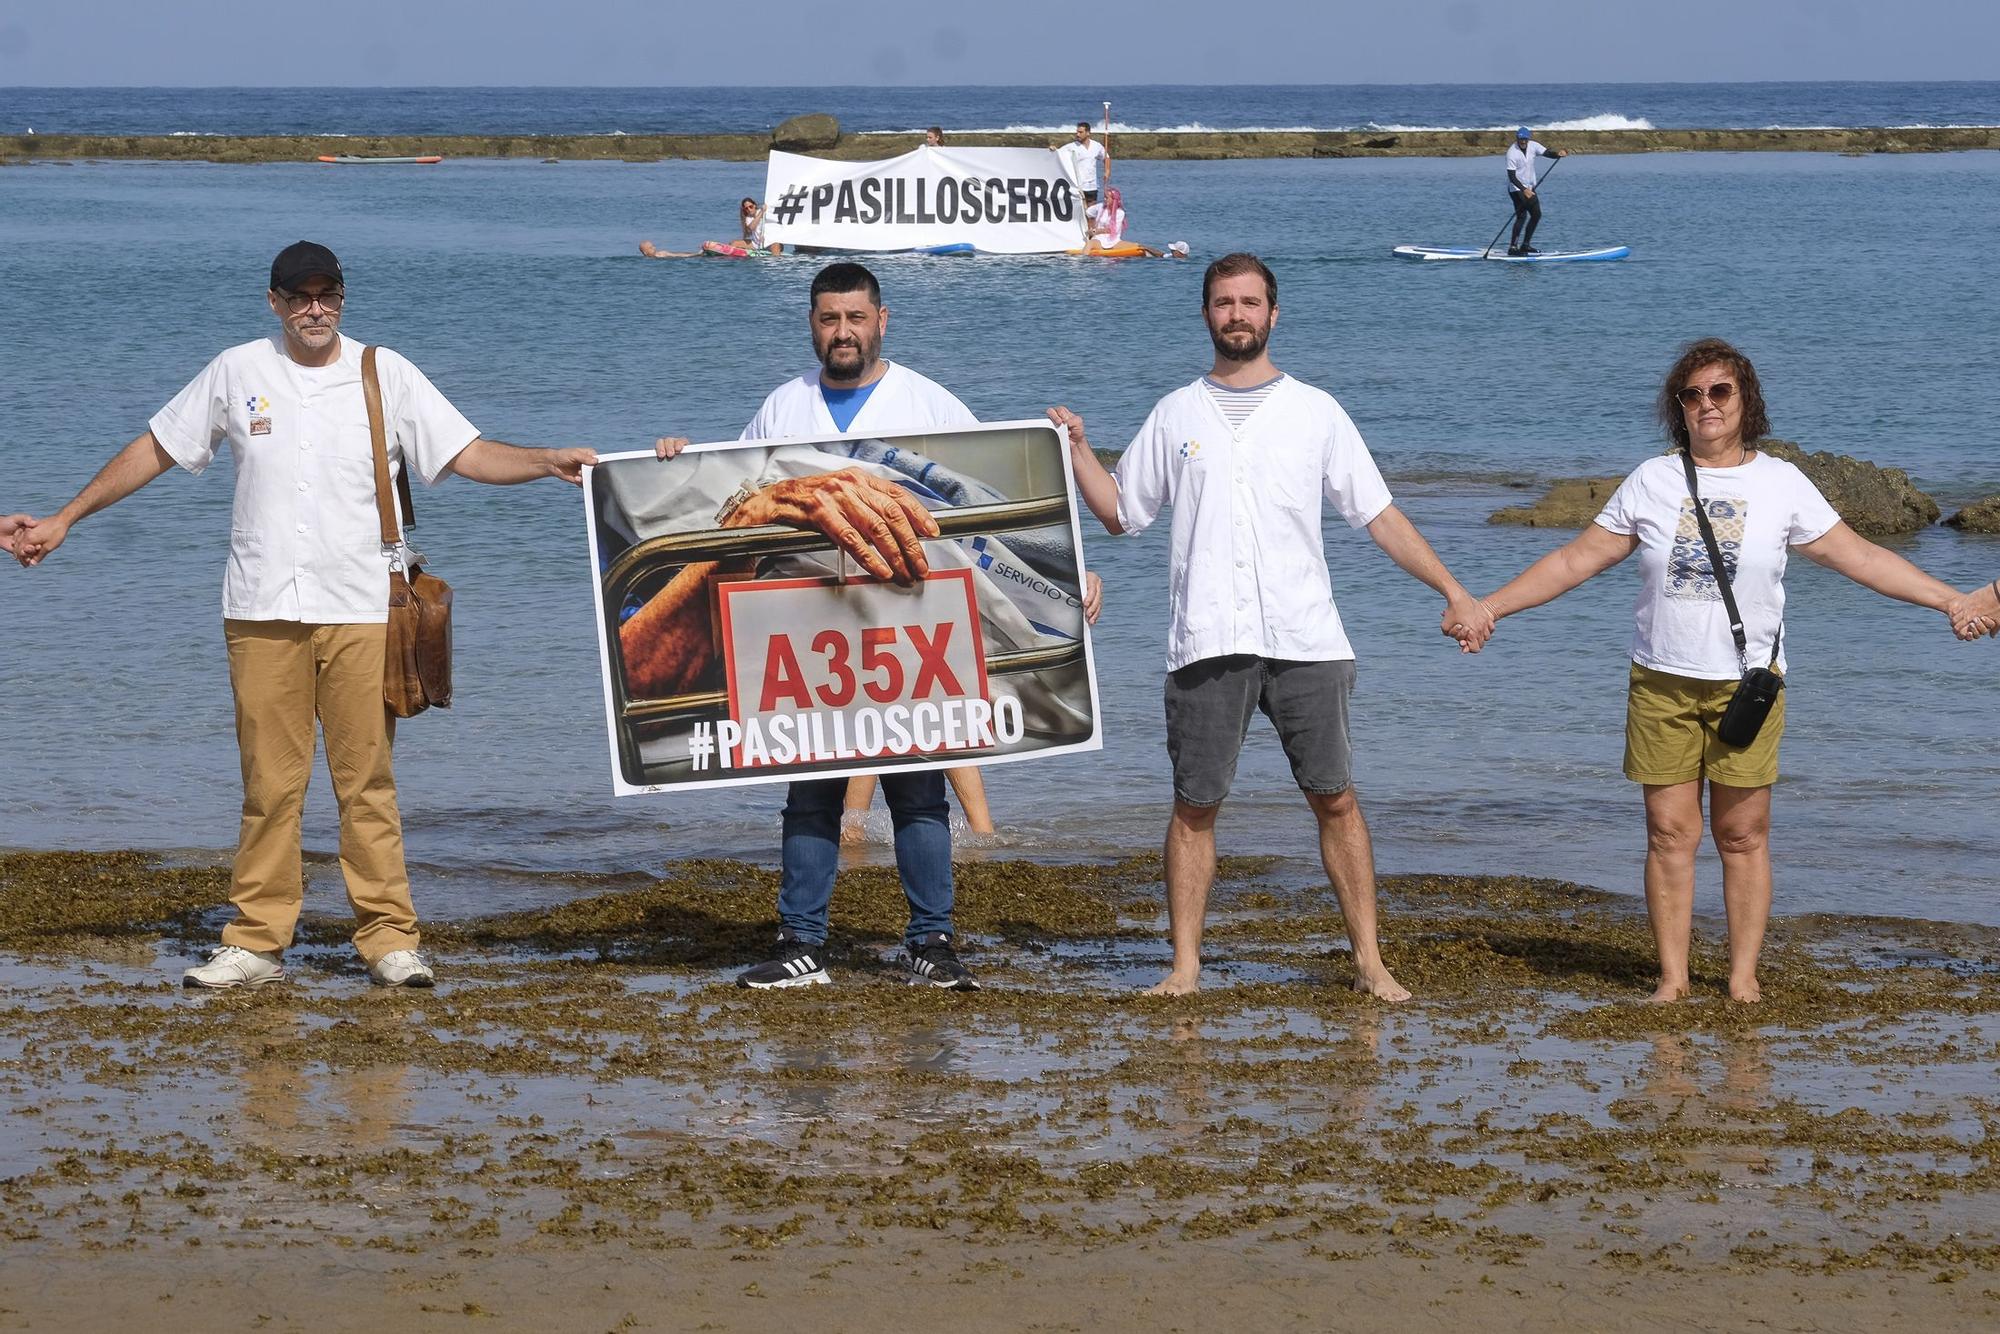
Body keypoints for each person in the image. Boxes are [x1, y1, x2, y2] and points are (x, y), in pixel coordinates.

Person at [11, 242, 595, 991]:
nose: (314, 308)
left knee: (367, 785)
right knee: (269, 787)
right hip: (259, 610)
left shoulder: (386, 372)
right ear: (275, 303)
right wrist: (65, 518)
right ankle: (255, 941)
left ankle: (389, 939)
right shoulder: (237, 370)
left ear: (343, 299)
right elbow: (157, 447)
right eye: (299, 296)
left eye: (326, 294)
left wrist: (546, 460)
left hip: (363, 609)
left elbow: (467, 454)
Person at [1465, 338, 1971, 1004]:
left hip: (1748, 689)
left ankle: (1741, 979)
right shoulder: (1653, 480)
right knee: (1670, 835)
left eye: (1721, 392)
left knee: (1741, 835)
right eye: (1693, 394)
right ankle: (1671, 980)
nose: (1707, 405)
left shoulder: (1781, 483)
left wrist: (1952, 599)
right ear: (1678, 407)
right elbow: (1575, 560)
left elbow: (1861, 558)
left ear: (1746, 400)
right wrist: (1488, 607)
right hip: (1662, 683)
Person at [639, 262, 1101, 991]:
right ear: (812, 324)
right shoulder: (782, 407)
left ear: (882, 320)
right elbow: (730, 501)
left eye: (856, 318)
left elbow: (986, 513)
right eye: (829, 319)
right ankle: (803, 944)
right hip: (805, 624)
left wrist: (1069, 579)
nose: (843, 332)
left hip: (907, 620)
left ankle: (932, 943)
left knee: (917, 787)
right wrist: (671, 462)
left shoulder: (929, 400)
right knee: (811, 787)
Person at [1052, 252, 1492, 1000]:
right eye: (1224, 302)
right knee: (1194, 807)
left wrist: (1453, 588)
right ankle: (1186, 967)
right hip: (1206, 640)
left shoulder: (1316, 411)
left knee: (1337, 797)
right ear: (1206, 315)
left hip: (1307, 638)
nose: (1237, 315)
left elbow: (1377, 515)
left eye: (1250, 302)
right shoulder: (1175, 413)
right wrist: (1078, 450)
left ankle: (1370, 963)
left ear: (1273, 314)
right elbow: (1124, 514)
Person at [639, 197, 781, 259]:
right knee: (734, 243)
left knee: (775, 245)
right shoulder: (751, 217)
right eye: (746, 208)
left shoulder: (767, 212)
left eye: (751, 206)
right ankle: (728, 255)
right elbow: (751, 228)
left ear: (755, 205)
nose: (749, 209)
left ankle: (775, 259)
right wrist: (760, 212)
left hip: (769, 242)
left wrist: (764, 212)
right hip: (756, 244)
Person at [1505, 127, 1568, 257]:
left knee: (1536, 214)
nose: (1523, 141)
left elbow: (1547, 153)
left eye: (1525, 139)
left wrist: (1558, 154)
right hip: (1516, 188)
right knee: (1522, 216)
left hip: (1530, 187)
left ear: (1528, 138)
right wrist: (1524, 190)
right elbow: (1511, 177)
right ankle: (1513, 247)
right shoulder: (1512, 153)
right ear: (1517, 138)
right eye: (1520, 139)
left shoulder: (1533, 146)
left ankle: (1525, 245)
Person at [1054, 121, 1109, 206]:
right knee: (1081, 213)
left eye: (1080, 132)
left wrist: (1107, 170)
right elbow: (1057, 154)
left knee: (1091, 213)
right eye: (1077, 132)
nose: (1077, 134)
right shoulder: (1071, 146)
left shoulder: (1096, 146)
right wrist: (1053, 149)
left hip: (1092, 186)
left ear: (1088, 133)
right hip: (1078, 187)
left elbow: (1106, 157)